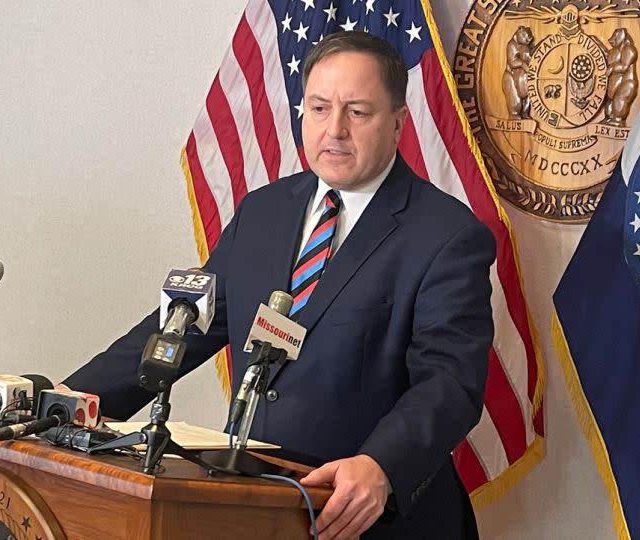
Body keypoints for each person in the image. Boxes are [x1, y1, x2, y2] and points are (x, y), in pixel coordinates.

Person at [63, 31, 495, 539]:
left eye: (357, 112)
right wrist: (70, 402)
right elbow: (183, 326)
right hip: (255, 509)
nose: (334, 130)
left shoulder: (447, 235)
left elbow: (448, 382)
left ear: (398, 122)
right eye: (318, 108)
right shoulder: (263, 212)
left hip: (366, 517)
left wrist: (381, 465)